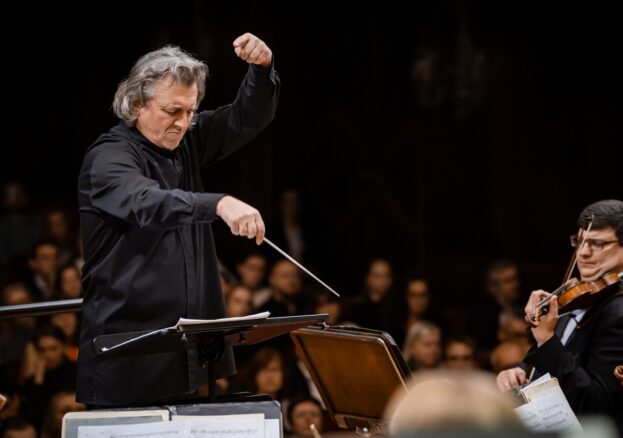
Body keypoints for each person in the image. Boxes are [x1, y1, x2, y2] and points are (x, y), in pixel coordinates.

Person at [76, 33, 280, 407]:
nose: (183, 123)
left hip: (186, 356)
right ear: (137, 103)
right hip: (128, 358)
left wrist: (261, 70)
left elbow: (245, 118)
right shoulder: (108, 158)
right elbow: (146, 202)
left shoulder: (184, 141)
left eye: (190, 111)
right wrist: (218, 204)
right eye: (172, 111)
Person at [496, 199, 623, 432]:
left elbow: (596, 405)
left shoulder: (618, 311)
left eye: (598, 244)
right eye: (580, 241)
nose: (583, 252)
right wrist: (520, 371)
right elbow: (555, 356)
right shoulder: (579, 295)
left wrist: (546, 339)